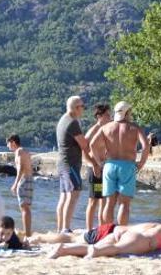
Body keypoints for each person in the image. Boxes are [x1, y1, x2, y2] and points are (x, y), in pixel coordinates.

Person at [89, 101, 150, 226]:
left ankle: (107, 232)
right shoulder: (134, 127)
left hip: (109, 166)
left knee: (109, 202)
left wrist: (100, 163)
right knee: (124, 203)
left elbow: (92, 144)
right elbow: (145, 146)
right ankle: (121, 233)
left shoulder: (106, 128)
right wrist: (141, 163)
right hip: (127, 166)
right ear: (127, 113)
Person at [55, 95, 92, 233]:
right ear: (76, 108)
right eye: (82, 106)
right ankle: (65, 228)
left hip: (62, 163)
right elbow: (84, 145)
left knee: (64, 196)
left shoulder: (62, 120)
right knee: (74, 194)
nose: (83, 109)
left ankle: (60, 228)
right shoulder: (73, 122)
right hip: (70, 164)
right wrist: (95, 131)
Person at [47, 222, 161, 259]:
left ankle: (63, 248)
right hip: (140, 239)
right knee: (115, 249)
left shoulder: (153, 225)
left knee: (96, 247)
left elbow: (126, 228)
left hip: (121, 232)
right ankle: (64, 249)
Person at [83, 104, 111, 231]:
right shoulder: (94, 130)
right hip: (95, 171)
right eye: (107, 115)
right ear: (99, 116)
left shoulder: (106, 129)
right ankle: (89, 230)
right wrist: (94, 164)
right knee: (93, 201)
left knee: (103, 200)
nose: (109, 117)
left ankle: (102, 228)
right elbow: (83, 149)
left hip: (103, 168)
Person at [6, 134, 34, 236]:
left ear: (13, 142)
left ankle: (27, 234)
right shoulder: (24, 151)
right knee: (26, 207)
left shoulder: (19, 151)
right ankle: (28, 232)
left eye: (8, 143)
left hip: (24, 180)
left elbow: (21, 169)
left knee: (24, 207)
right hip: (29, 179)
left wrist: (15, 183)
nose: (7, 146)